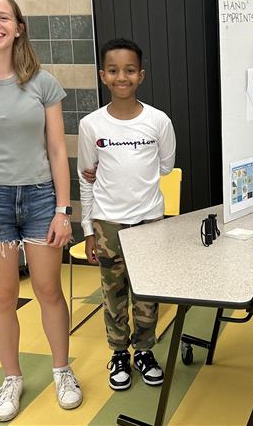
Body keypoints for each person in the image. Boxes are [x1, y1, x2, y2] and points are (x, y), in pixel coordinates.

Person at [0, 0, 82, 422]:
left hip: (41, 197)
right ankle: (12, 377)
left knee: (48, 290)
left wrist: (63, 210)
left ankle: (62, 370)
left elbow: (57, 150)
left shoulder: (42, 83)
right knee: (3, 296)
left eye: (3, 17)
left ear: (18, 27)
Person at [78, 38, 176, 391]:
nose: (122, 77)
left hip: (149, 222)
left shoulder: (158, 121)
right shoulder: (91, 125)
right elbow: (85, 177)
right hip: (108, 224)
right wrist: (89, 229)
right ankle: (119, 353)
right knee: (113, 294)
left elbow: (166, 166)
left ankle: (144, 351)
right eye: (114, 70)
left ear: (141, 75)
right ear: (103, 75)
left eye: (130, 70)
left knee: (147, 293)